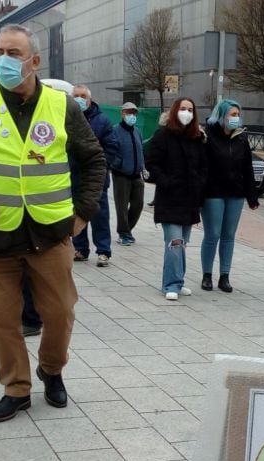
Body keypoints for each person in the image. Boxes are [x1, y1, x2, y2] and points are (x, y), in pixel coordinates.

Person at [0, 25, 105, 421]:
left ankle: (51, 369)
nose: (6, 59)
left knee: (61, 312)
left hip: (50, 233)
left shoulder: (63, 107)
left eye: (14, 51)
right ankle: (16, 387)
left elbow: (94, 160)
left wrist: (83, 212)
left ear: (34, 60)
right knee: (3, 320)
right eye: (0, 52)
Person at [146, 96, 206, 301]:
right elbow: (152, 163)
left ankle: (177, 281)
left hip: (189, 200)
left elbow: (203, 166)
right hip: (170, 198)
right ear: (175, 110)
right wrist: (166, 181)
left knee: (182, 244)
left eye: (190, 109)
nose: (187, 113)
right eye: (183, 108)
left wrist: (199, 183)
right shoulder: (163, 135)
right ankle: (171, 284)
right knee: (174, 242)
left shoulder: (197, 138)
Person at [200, 99, 258, 293]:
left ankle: (224, 276)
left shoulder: (241, 137)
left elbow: (247, 167)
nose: (236, 118)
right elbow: (202, 167)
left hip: (235, 193)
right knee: (213, 234)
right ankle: (207, 274)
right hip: (213, 193)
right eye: (232, 114)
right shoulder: (208, 135)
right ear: (222, 115)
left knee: (229, 236)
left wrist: (251, 196)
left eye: (237, 115)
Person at [70, 84, 118, 267]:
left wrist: (102, 167)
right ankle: (80, 249)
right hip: (73, 177)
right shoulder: (65, 118)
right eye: (76, 96)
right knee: (76, 213)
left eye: (83, 96)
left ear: (90, 99)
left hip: (96, 179)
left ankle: (103, 251)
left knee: (100, 215)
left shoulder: (102, 120)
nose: (79, 99)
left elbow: (111, 146)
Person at [110, 101, 144, 246]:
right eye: (128, 112)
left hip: (137, 175)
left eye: (134, 113)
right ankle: (124, 234)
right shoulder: (115, 130)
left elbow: (140, 149)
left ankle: (126, 230)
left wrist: (143, 167)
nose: (131, 115)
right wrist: (118, 164)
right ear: (122, 113)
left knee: (138, 204)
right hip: (121, 175)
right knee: (122, 206)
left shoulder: (137, 131)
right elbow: (111, 150)